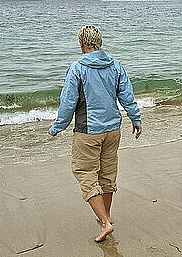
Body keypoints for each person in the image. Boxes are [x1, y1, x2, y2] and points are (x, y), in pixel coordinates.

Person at [49, 25, 142, 242]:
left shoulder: (77, 68)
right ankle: (105, 219)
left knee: (84, 172)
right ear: (100, 42)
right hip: (113, 130)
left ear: (81, 43)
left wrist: (57, 127)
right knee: (107, 175)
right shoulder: (115, 65)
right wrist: (136, 119)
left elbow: (68, 103)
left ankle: (106, 222)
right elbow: (127, 96)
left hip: (88, 132)